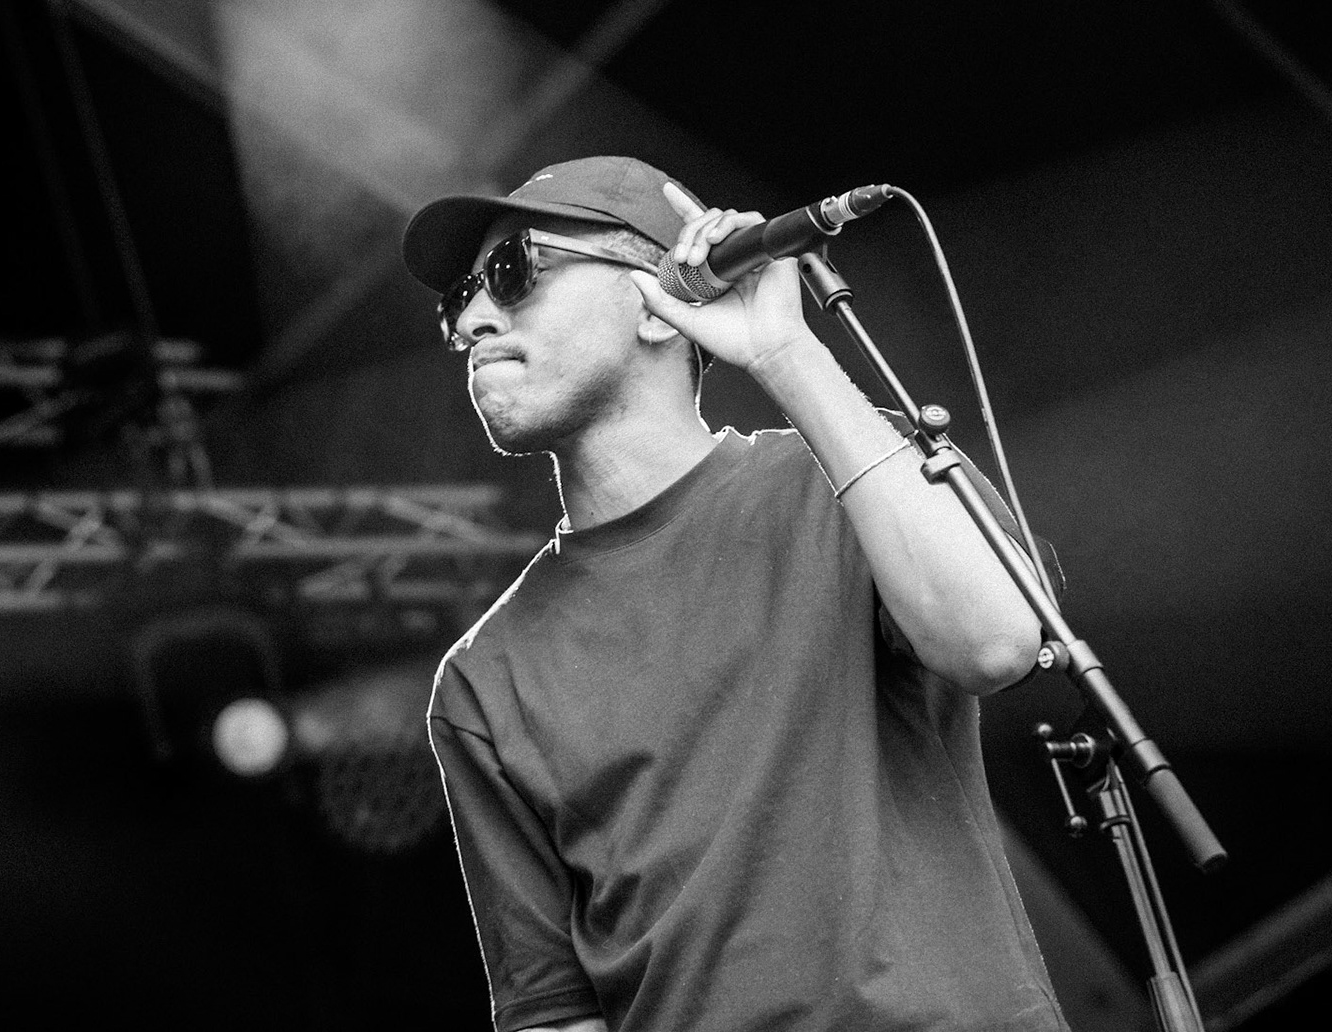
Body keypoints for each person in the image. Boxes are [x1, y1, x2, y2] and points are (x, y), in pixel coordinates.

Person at [401, 156, 1068, 1032]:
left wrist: (786, 354)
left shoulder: (850, 480)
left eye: (513, 272)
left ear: (654, 298)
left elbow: (996, 643)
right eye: (459, 300)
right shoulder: (485, 679)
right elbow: (550, 1011)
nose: (471, 322)